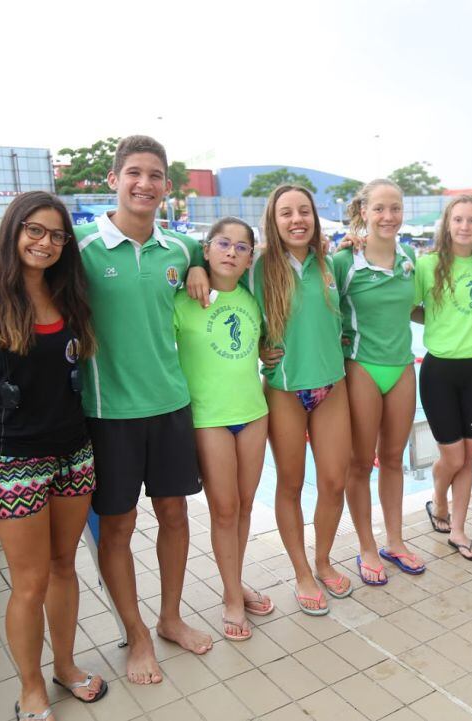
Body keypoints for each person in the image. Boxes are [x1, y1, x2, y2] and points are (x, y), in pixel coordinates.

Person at [0, 136, 214, 684]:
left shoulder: (183, 248)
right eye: (133, 172)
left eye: (156, 175)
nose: (145, 184)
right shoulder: (78, 248)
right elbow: (8, 278)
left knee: (175, 517)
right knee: (114, 530)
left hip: (169, 407)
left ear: (167, 186)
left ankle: (169, 619)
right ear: (113, 179)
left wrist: (204, 267)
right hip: (103, 414)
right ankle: (134, 634)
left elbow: (228, 255)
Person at [0, 192, 107, 718]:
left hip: (73, 452)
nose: (46, 242)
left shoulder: (69, 294)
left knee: (65, 567)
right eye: (34, 230)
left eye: (57, 235)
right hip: (11, 460)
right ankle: (29, 685)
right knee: (29, 581)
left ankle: (65, 664)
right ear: (13, 231)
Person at [249, 185, 351, 614]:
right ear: (273, 220)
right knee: (290, 485)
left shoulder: (329, 262)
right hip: (285, 390)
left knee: (332, 481)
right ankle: (302, 573)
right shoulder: (258, 267)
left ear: (315, 216)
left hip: (332, 386)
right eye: (286, 213)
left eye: (304, 211)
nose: (297, 220)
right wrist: (257, 348)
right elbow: (224, 299)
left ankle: (324, 560)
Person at [173, 217, 272, 641]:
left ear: (251, 258)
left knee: (246, 506)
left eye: (241, 247)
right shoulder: (181, 301)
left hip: (253, 411)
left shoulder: (253, 301)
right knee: (225, 509)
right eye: (223, 244)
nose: (231, 252)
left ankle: (236, 580)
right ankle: (232, 596)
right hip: (208, 417)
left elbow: (266, 346)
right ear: (207, 249)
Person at [332, 179, 423, 584]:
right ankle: (367, 546)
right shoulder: (344, 261)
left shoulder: (409, 261)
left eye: (396, 208)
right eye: (381, 209)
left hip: (402, 366)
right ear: (364, 212)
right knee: (359, 461)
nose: (389, 217)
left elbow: (419, 310)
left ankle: (395, 541)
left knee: (392, 459)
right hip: (362, 367)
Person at [415, 195, 472, 560]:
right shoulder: (427, 265)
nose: (464, 226)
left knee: (468, 455)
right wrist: (436, 323)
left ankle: (459, 530)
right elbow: (408, 306)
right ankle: (438, 496)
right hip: (439, 371)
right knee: (453, 457)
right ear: (448, 224)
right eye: (458, 219)